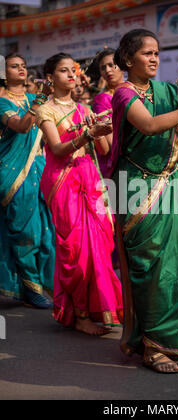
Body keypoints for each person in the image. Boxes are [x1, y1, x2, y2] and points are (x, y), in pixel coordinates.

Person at [112, 29, 178, 373]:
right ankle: (154, 347)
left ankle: (169, 337)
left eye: (157, 52)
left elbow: (175, 137)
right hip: (137, 191)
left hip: (171, 185)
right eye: (147, 53)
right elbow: (148, 126)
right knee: (152, 272)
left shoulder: (166, 93)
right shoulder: (123, 93)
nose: (155, 58)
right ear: (129, 59)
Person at [36, 53, 123, 336]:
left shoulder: (86, 110)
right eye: (64, 71)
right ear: (51, 77)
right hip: (62, 181)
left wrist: (102, 130)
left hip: (89, 178)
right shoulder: (45, 110)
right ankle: (80, 315)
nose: (72, 75)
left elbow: (105, 151)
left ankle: (98, 308)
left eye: (73, 70)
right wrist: (86, 134)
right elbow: (58, 149)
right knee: (74, 249)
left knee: (99, 245)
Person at [0, 53, 55, 308]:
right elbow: (21, 126)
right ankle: (31, 288)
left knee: (45, 228)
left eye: (23, 66)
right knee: (25, 230)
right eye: (14, 66)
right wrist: (42, 99)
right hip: (13, 172)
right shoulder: (1, 102)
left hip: (39, 168)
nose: (21, 69)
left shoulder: (35, 99)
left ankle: (41, 284)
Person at [90, 48, 124, 178]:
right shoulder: (102, 99)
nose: (108, 70)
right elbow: (111, 143)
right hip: (117, 164)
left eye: (111, 65)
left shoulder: (134, 91)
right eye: (103, 68)